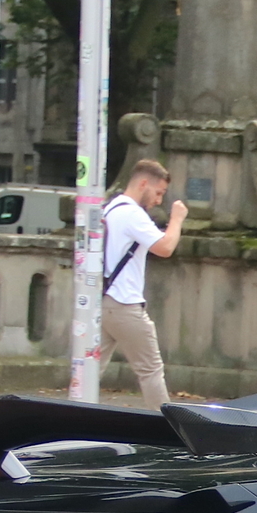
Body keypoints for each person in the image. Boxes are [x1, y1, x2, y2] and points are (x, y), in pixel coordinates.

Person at [101, 158, 188, 407]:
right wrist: (177, 219)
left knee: (89, 367)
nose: (159, 200)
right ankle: (165, 428)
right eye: (158, 192)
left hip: (105, 300)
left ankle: (65, 418)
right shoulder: (131, 213)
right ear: (143, 183)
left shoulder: (112, 208)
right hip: (125, 303)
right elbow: (165, 247)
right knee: (150, 370)